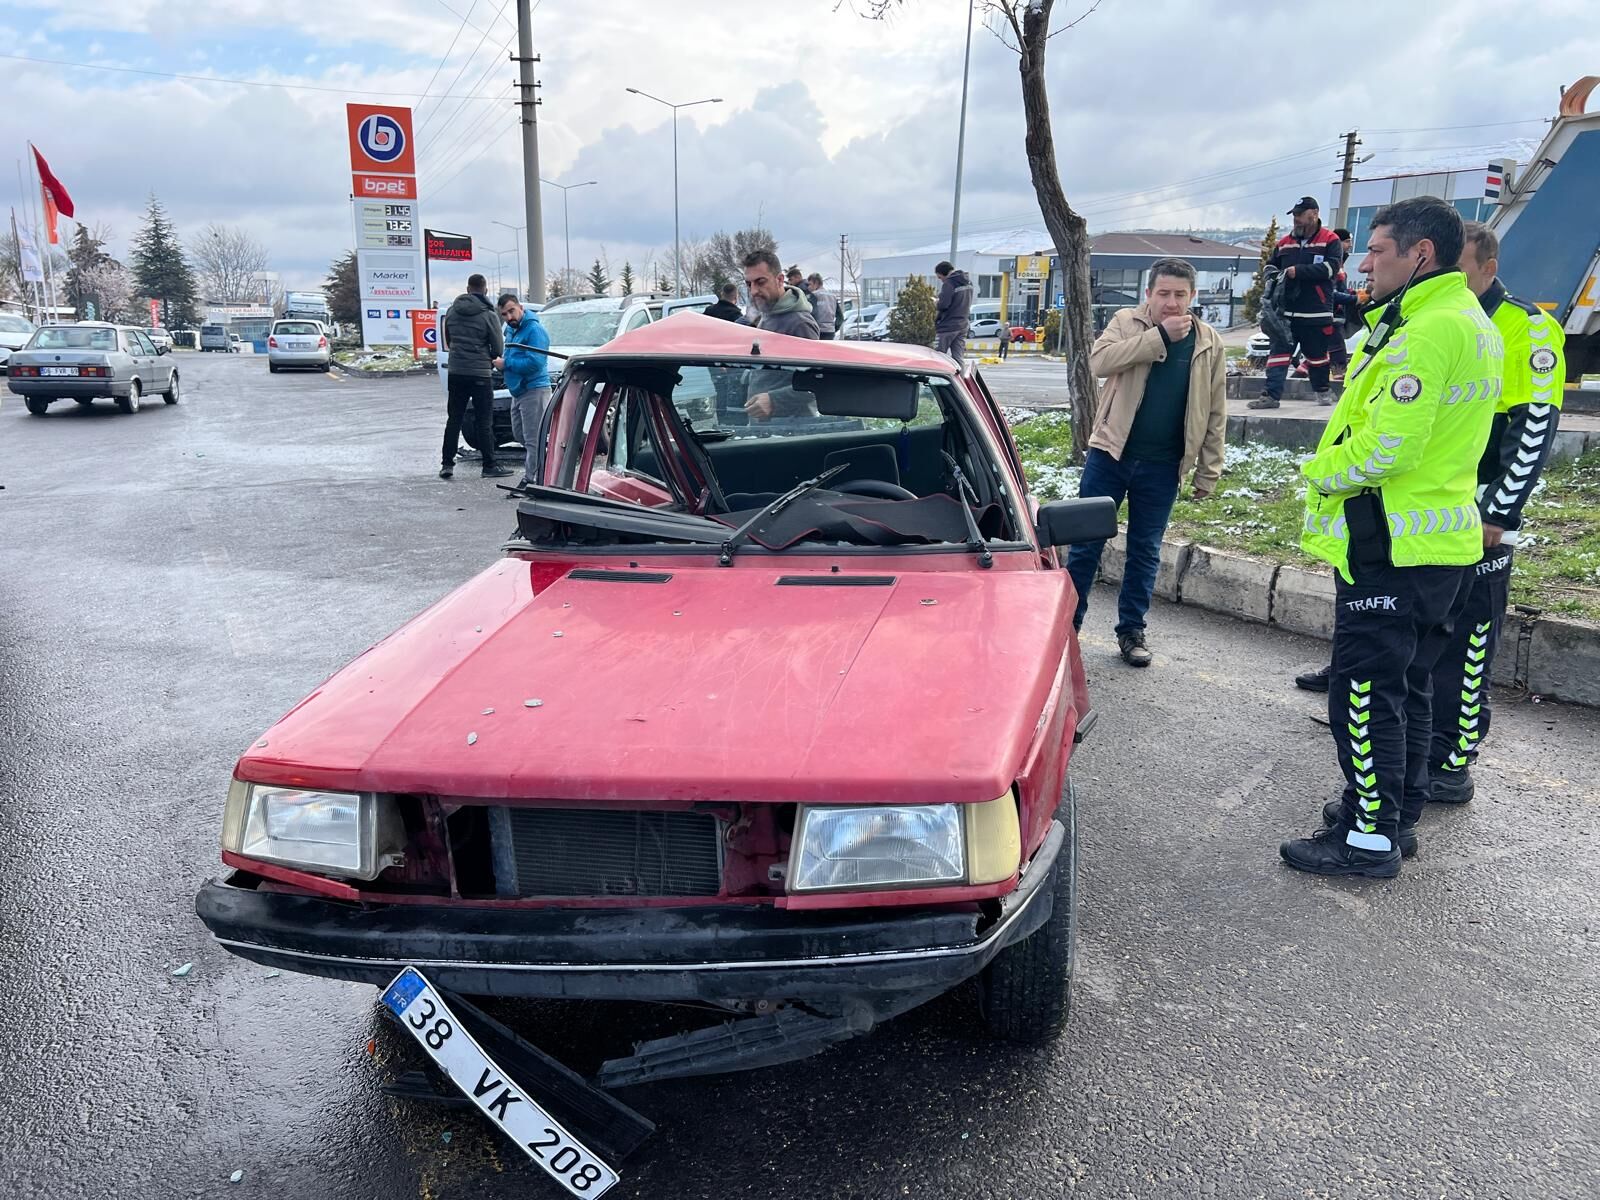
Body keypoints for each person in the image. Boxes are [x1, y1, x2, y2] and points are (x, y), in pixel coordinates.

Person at [1280, 196, 1501, 879]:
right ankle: (1393, 814)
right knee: (1408, 685)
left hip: (1393, 544)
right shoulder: (1466, 319)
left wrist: (1321, 472)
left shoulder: (1428, 330)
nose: (1364, 262)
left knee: (1365, 693)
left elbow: (1389, 448)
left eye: (1377, 250)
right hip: (1439, 544)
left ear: (1420, 254)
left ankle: (1367, 837)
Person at [1426, 221, 1566, 805]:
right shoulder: (1440, 318)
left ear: (1487, 266)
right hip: (1434, 505)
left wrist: (1499, 515)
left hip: (1482, 512)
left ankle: (1454, 761)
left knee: (1470, 638)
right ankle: (1426, 741)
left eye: (1459, 269)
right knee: (1433, 632)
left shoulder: (1525, 328)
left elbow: (1533, 429)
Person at [1065, 258, 1228, 667]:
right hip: (1110, 455)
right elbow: (1100, 363)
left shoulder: (1209, 342)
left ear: (1193, 297)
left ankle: (1131, 631)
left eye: (1180, 295)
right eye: (1163, 294)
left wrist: (1208, 470)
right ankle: (1067, 628)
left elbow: (1215, 411)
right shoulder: (1126, 321)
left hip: (1163, 466)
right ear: (1149, 295)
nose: (1171, 303)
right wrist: (1158, 337)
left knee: (1145, 550)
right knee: (1086, 545)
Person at [1248, 196, 1343, 410]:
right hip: (1284, 314)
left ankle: (1322, 390)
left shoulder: (1330, 240)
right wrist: (1272, 275)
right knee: (1278, 355)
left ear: (1314, 214)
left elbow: (1331, 269)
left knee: (1317, 357)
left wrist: (1297, 272)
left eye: (1301, 215)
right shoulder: (1284, 243)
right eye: (1295, 215)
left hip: (1316, 313)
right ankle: (1270, 396)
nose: (1297, 219)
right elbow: (1270, 265)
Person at [440, 274, 511, 480]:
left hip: (456, 371)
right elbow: (498, 347)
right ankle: (489, 465)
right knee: (483, 420)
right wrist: (487, 356)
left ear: (468, 289)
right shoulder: (488, 314)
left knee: (454, 418)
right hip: (480, 373)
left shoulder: (452, 311)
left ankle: (447, 463)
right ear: (485, 290)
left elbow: (449, 340)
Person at [740, 249, 819, 421]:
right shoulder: (767, 315)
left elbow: (817, 382)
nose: (753, 291)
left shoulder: (799, 323)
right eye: (749, 284)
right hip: (767, 430)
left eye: (760, 282)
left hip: (790, 431)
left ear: (780, 279)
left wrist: (774, 401)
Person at [497, 293, 552, 490]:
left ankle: (533, 479)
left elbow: (535, 363)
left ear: (521, 307)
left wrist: (506, 364)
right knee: (520, 434)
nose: (509, 317)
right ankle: (544, 468)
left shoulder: (534, 330)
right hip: (518, 391)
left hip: (534, 389)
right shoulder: (512, 331)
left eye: (512, 311)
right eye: (504, 314)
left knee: (532, 439)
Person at [1327, 227, 1358, 379]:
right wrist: (1354, 299)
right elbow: (1330, 292)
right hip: (1330, 314)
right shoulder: (1332, 264)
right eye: (1347, 241)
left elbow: (1340, 288)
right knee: (1337, 350)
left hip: (1335, 314)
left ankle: (1300, 373)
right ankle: (1339, 382)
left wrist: (1352, 294)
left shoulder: (1339, 263)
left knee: (1320, 351)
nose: (1350, 245)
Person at [934, 261, 975, 362]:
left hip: (948, 325)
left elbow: (943, 305)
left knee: (938, 356)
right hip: (963, 324)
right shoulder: (968, 281)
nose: (941, 280)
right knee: (958, 358)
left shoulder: (949, 283)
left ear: (944, 273)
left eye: (940, 277)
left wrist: (936, 302)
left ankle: (939, 377)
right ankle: (959, 377)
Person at [806, 273, 842, 340]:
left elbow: (811, 313)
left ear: (816, 283)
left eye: (810, 284)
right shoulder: (833, 296)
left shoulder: (813, 295)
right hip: (830, 332)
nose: (808, 287)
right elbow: (840, 317)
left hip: (817, 331)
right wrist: (834, 328)